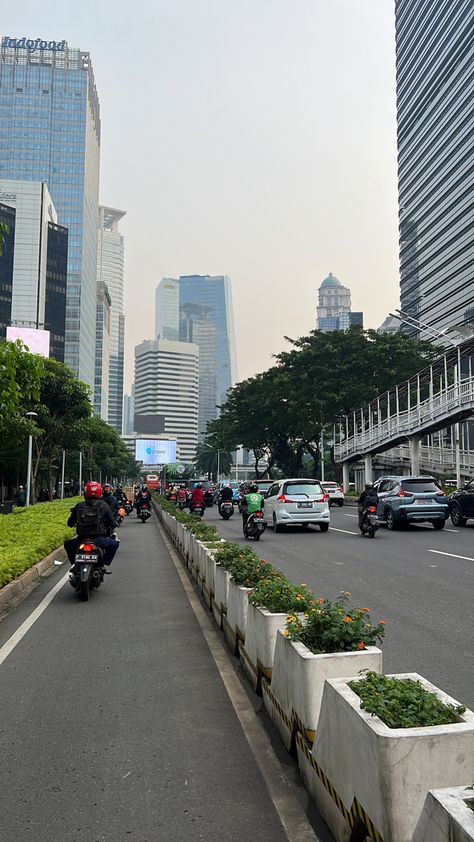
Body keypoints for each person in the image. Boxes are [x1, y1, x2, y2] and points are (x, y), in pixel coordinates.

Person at [64, 481, 119, 568]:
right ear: (100, 492)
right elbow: (112, 522)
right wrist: (114, 524)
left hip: (82, 539)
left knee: (68, 544)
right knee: (114, 544)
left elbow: (70, 523)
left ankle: (74, 563)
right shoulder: (103, 505)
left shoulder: (79, 506)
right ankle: (103, 564)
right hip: (98, 539)